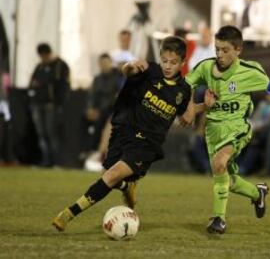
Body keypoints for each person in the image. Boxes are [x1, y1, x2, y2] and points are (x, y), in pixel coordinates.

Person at [52, 36, 212, 231]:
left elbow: (186, 119)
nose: (168, 66)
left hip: (147, 143)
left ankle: (68, 214)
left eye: (173, 62)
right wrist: (131, 65)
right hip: (124, 130)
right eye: (165, 61)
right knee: (109, 176)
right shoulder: (150, 70)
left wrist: (204, 105)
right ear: (160, 58)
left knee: (110, 176)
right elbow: (128, 71)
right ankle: (127, 187)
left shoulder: (184, 90)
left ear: (183, 63)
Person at [180, 25, 270, 234]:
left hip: (238, 129)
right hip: (212, 132)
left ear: (238, 50)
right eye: (217, 49)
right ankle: (257, 193)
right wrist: (190, 108)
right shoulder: (205, 68)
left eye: (225, 50)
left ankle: (219, 219)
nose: (219, 54)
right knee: (226, 179)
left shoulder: (250, 72)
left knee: (219, 164)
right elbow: (187, 84)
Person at [28, 43, 70, 167]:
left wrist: (56, 103)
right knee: (41, 134)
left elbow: (64, 87)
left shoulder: (60, 66)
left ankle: (56, 162)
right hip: (37, 104)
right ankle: (46, 161)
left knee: (52, 133)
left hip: (51, 106)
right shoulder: (40, 66)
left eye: (44, 56)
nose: (43, 59)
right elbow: (32, 82)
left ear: (49, 53)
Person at [84, 53, 121, 154]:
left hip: (112, 110)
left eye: (106, 63)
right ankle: (90, 152)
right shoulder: (97, 79)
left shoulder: (118, 77)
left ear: (110, 63)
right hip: (99, 110)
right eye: (102, 63)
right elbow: (92, 95)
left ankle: (100, 153)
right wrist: (91, 108)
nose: (104, 65)